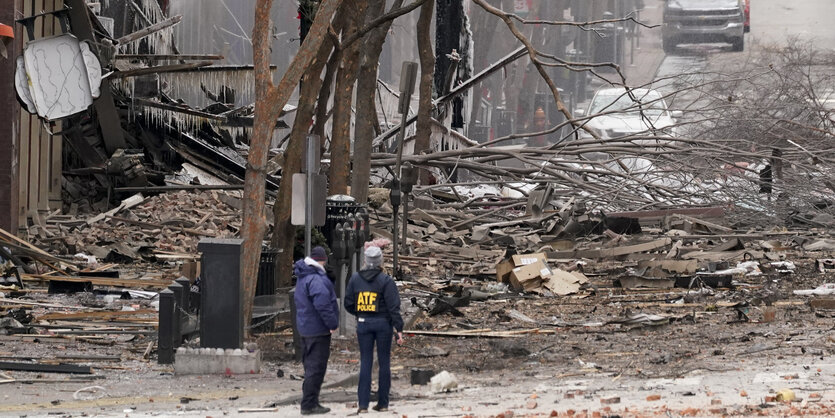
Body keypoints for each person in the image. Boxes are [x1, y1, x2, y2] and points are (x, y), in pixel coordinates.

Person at [344, 246, 404, 413]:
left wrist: (360, 313)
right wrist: (399, 329)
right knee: (384, 362)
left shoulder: (356, 279)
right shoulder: (386, 281)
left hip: (364, 324)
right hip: (384, 324)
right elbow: (394, 307)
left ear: (365, 261)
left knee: (366, 362)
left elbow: (348, 303)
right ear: (380, 262)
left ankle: (363, 405)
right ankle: (383, 403)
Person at [294, 246, 339, 415]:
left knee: (310, 367)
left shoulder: (304, 276)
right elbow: (323, 303)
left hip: (305, 327)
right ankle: (309, 404)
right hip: (317, 329)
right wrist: (333, 323)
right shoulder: (316, 279)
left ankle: (311, 401)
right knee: (316, 367)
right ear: (323, 260)